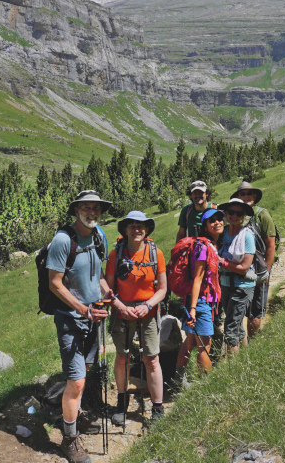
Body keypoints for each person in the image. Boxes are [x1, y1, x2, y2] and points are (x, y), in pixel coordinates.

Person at [47, 190, 114, 463]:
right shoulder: (63, 241)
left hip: (94, 316)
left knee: (83, 373)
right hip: (71, 319)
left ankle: (73, 418)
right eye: (86, 207)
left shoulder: (99, 236)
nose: (92, 212)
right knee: (76, 381)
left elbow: (97, 275)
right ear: (76, 211)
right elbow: (54, 282)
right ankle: (69, 439)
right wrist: (82, 309)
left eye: (95, 208)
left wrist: (108, 296)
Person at [105, 211, 167, 425]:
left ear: (147, 229)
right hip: (122, 313)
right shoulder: (115, 255)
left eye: (141, 226)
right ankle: (121, 404)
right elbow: (108, 287)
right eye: (132, 226)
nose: (137, 229)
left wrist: (148, 304)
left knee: (152, 359)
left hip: (148, 313)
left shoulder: (156, 253)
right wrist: (120, 306)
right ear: (125, 229)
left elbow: (163, 289)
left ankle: (157, 408)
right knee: (122, 357)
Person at [174, 208, 224, 385]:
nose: (217, 222)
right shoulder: (204, 248)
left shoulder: (210, 245)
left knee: (189, 342)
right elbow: (197, 279)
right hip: (200, 302)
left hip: (197, 301)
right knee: (204, 345)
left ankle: (179, 380)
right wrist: (193, 309)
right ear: (205, 226)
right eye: (212, 221)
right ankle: (205, 386)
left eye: (219, 219)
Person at [231, 182, 276, 338]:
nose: (246, 197)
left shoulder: (262, 215)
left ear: (255, 196)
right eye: (242, 194)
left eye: (249, 193)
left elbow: (271, 245)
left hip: (257, 271)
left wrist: (266, 272)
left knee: (254, 312)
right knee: (237, 310)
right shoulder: (234, 214)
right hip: (237, 270)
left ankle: (253, 344)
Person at [217, 198, 255, 354]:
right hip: (225, 283)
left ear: (243, 216)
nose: (234, 216)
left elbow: (245, 267)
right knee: (236, 324)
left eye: (238, 213)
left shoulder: (247, 236)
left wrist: (222, 262)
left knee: (230, 327)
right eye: (231, 212)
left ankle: (233, 368)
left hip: (242, 287)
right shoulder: (223, 233)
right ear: (225, 213)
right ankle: (245, 357)